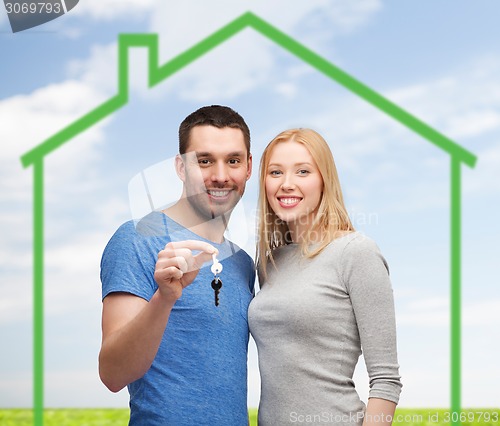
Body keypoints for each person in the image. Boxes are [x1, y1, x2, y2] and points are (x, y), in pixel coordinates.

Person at [98, 105, 255, 425]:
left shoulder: (244, 264)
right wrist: (165, 298)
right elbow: (113, 374)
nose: (221, 175)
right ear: (181, 168)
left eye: (233, 161)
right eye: (205, 160)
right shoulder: (137, 238)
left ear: (249, 168)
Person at [248, 128, 402, 426]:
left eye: (303, 171)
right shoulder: (270, 263)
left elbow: (386, 379)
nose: (286, 184)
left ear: (324, 181)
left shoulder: (356, 253)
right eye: (275, 172)